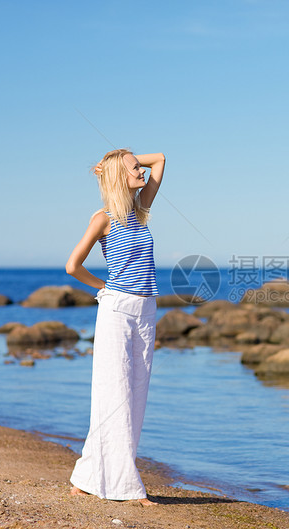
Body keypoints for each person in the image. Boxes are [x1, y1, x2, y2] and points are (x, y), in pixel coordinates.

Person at [65, 148, 165, 507]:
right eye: (134, 168)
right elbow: (72, 266)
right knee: (114, 394)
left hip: (147, 309)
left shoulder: (141, 211)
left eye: (139, 167)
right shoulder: (103, 219)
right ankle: (128, 488)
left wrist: (120, 158)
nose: (141, 170)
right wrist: (102, 288)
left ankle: (86, 478)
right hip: (117, 309)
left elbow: (162, 159)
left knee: (136, 394)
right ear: (119, 178)